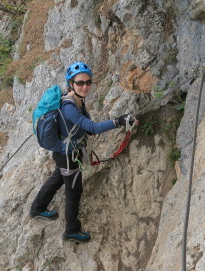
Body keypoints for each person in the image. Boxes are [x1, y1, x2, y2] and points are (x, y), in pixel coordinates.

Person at [30, 61, 133, 243]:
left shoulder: (78, 101)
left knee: (58, 178)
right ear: (71, 84)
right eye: (80, 83)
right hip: (68, 157)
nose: (85, 86)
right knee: (74, 191)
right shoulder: (70, 107)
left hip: (65, 154)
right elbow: (92, 126)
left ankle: (38, 207)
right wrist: (118, 122)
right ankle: (71, 229)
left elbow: (88, 128)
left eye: (87, 82)